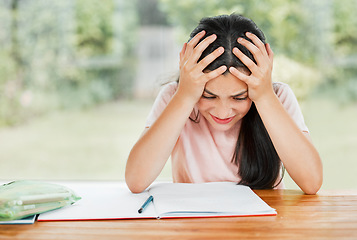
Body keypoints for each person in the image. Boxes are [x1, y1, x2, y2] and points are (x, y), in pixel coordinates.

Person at [125, 14, 323, 194]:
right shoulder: (174, 97)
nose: (223, 111)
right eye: (209, 96)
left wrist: (264, 97)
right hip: (195, 225)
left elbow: (311, 182)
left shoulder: (277, 97)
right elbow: (136, 181)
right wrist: (185, 96)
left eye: (239, 98)